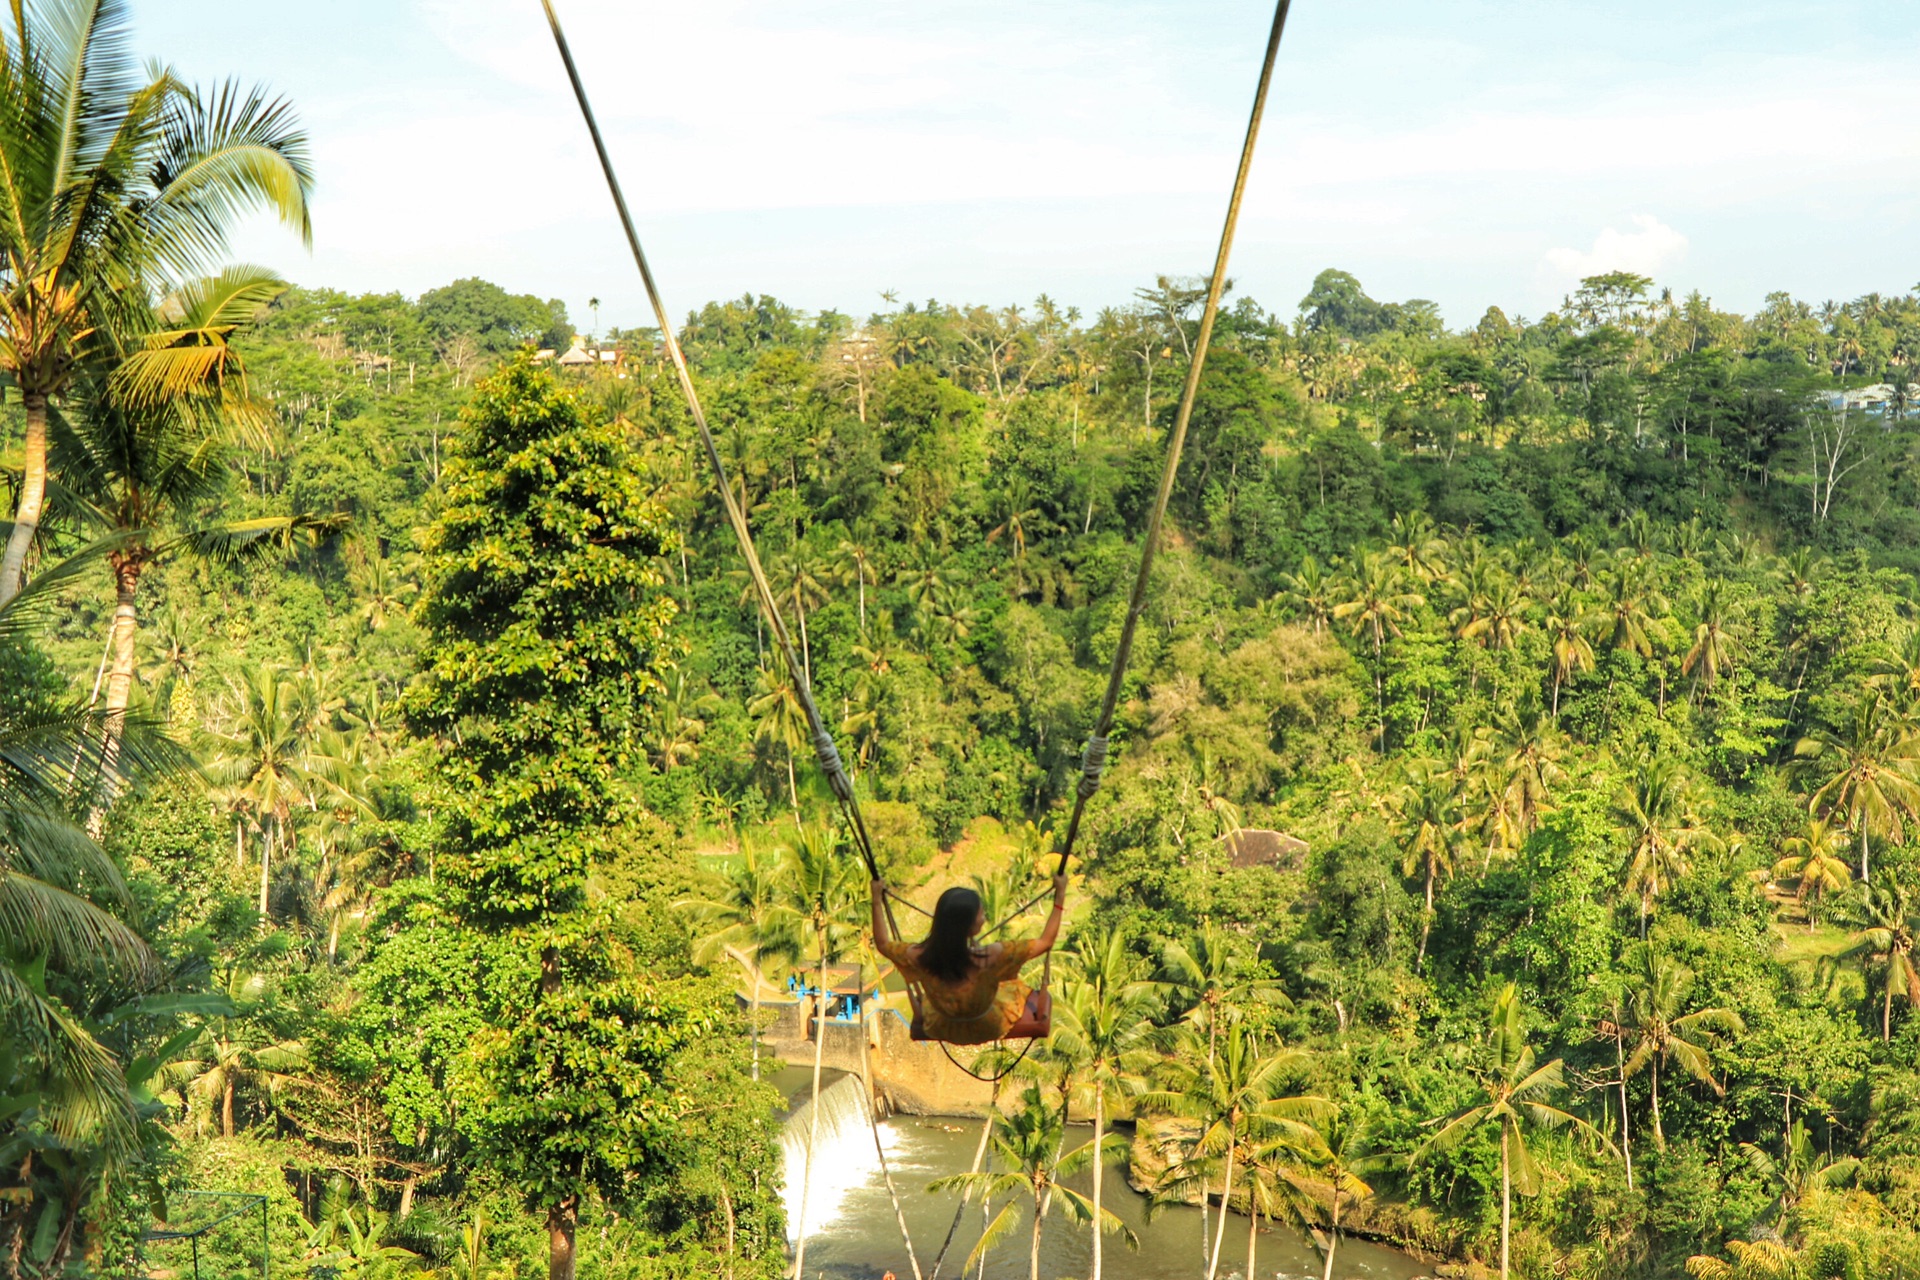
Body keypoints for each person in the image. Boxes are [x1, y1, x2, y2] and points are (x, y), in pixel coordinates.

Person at [871, 874, 1067, 1045]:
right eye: (980, 914)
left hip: (943, 1025)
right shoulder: (992, 956)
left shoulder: (920, 956)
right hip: (987, 1025)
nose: (984, 917)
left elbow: (882, 943)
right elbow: (1046, 941)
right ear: (970, 926)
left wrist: (876, 900)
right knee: (1015, 988)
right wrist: (1059, 896)